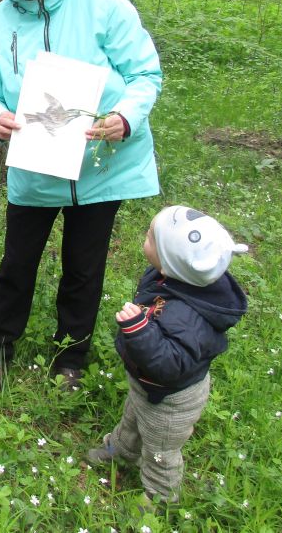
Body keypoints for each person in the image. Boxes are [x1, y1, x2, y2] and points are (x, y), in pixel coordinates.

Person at [0, 0, 162, 394]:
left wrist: (126, 118)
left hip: (100, 165)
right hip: (36, 165)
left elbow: (145, 73)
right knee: (17, 264)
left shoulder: (102, 1)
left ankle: (70, 358)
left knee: (84, 268)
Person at [87, 206, 249, 505]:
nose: (144, 237)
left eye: (151, 237)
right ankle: (120, 451)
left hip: (171, 399)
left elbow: (170, 364)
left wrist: (139, 330)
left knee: (160, 449)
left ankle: (160, 497)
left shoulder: (187, 316)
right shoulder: (172, 280)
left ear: (171, 261)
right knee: (132, 419)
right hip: (147, 385)